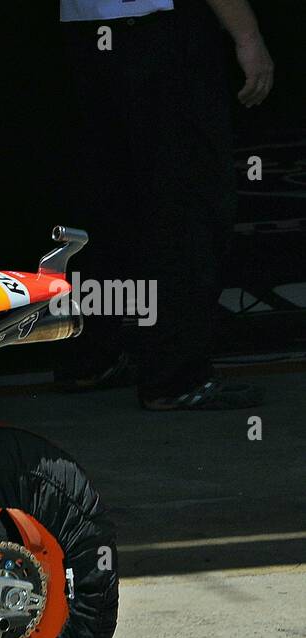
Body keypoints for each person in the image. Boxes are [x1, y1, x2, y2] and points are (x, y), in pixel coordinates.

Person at [56, 0, 274, 410]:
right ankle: (176, 376)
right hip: (159, 34)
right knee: (184, 205)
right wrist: (247, 36)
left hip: (85, 34)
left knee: (107, 206)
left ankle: (94, 356)